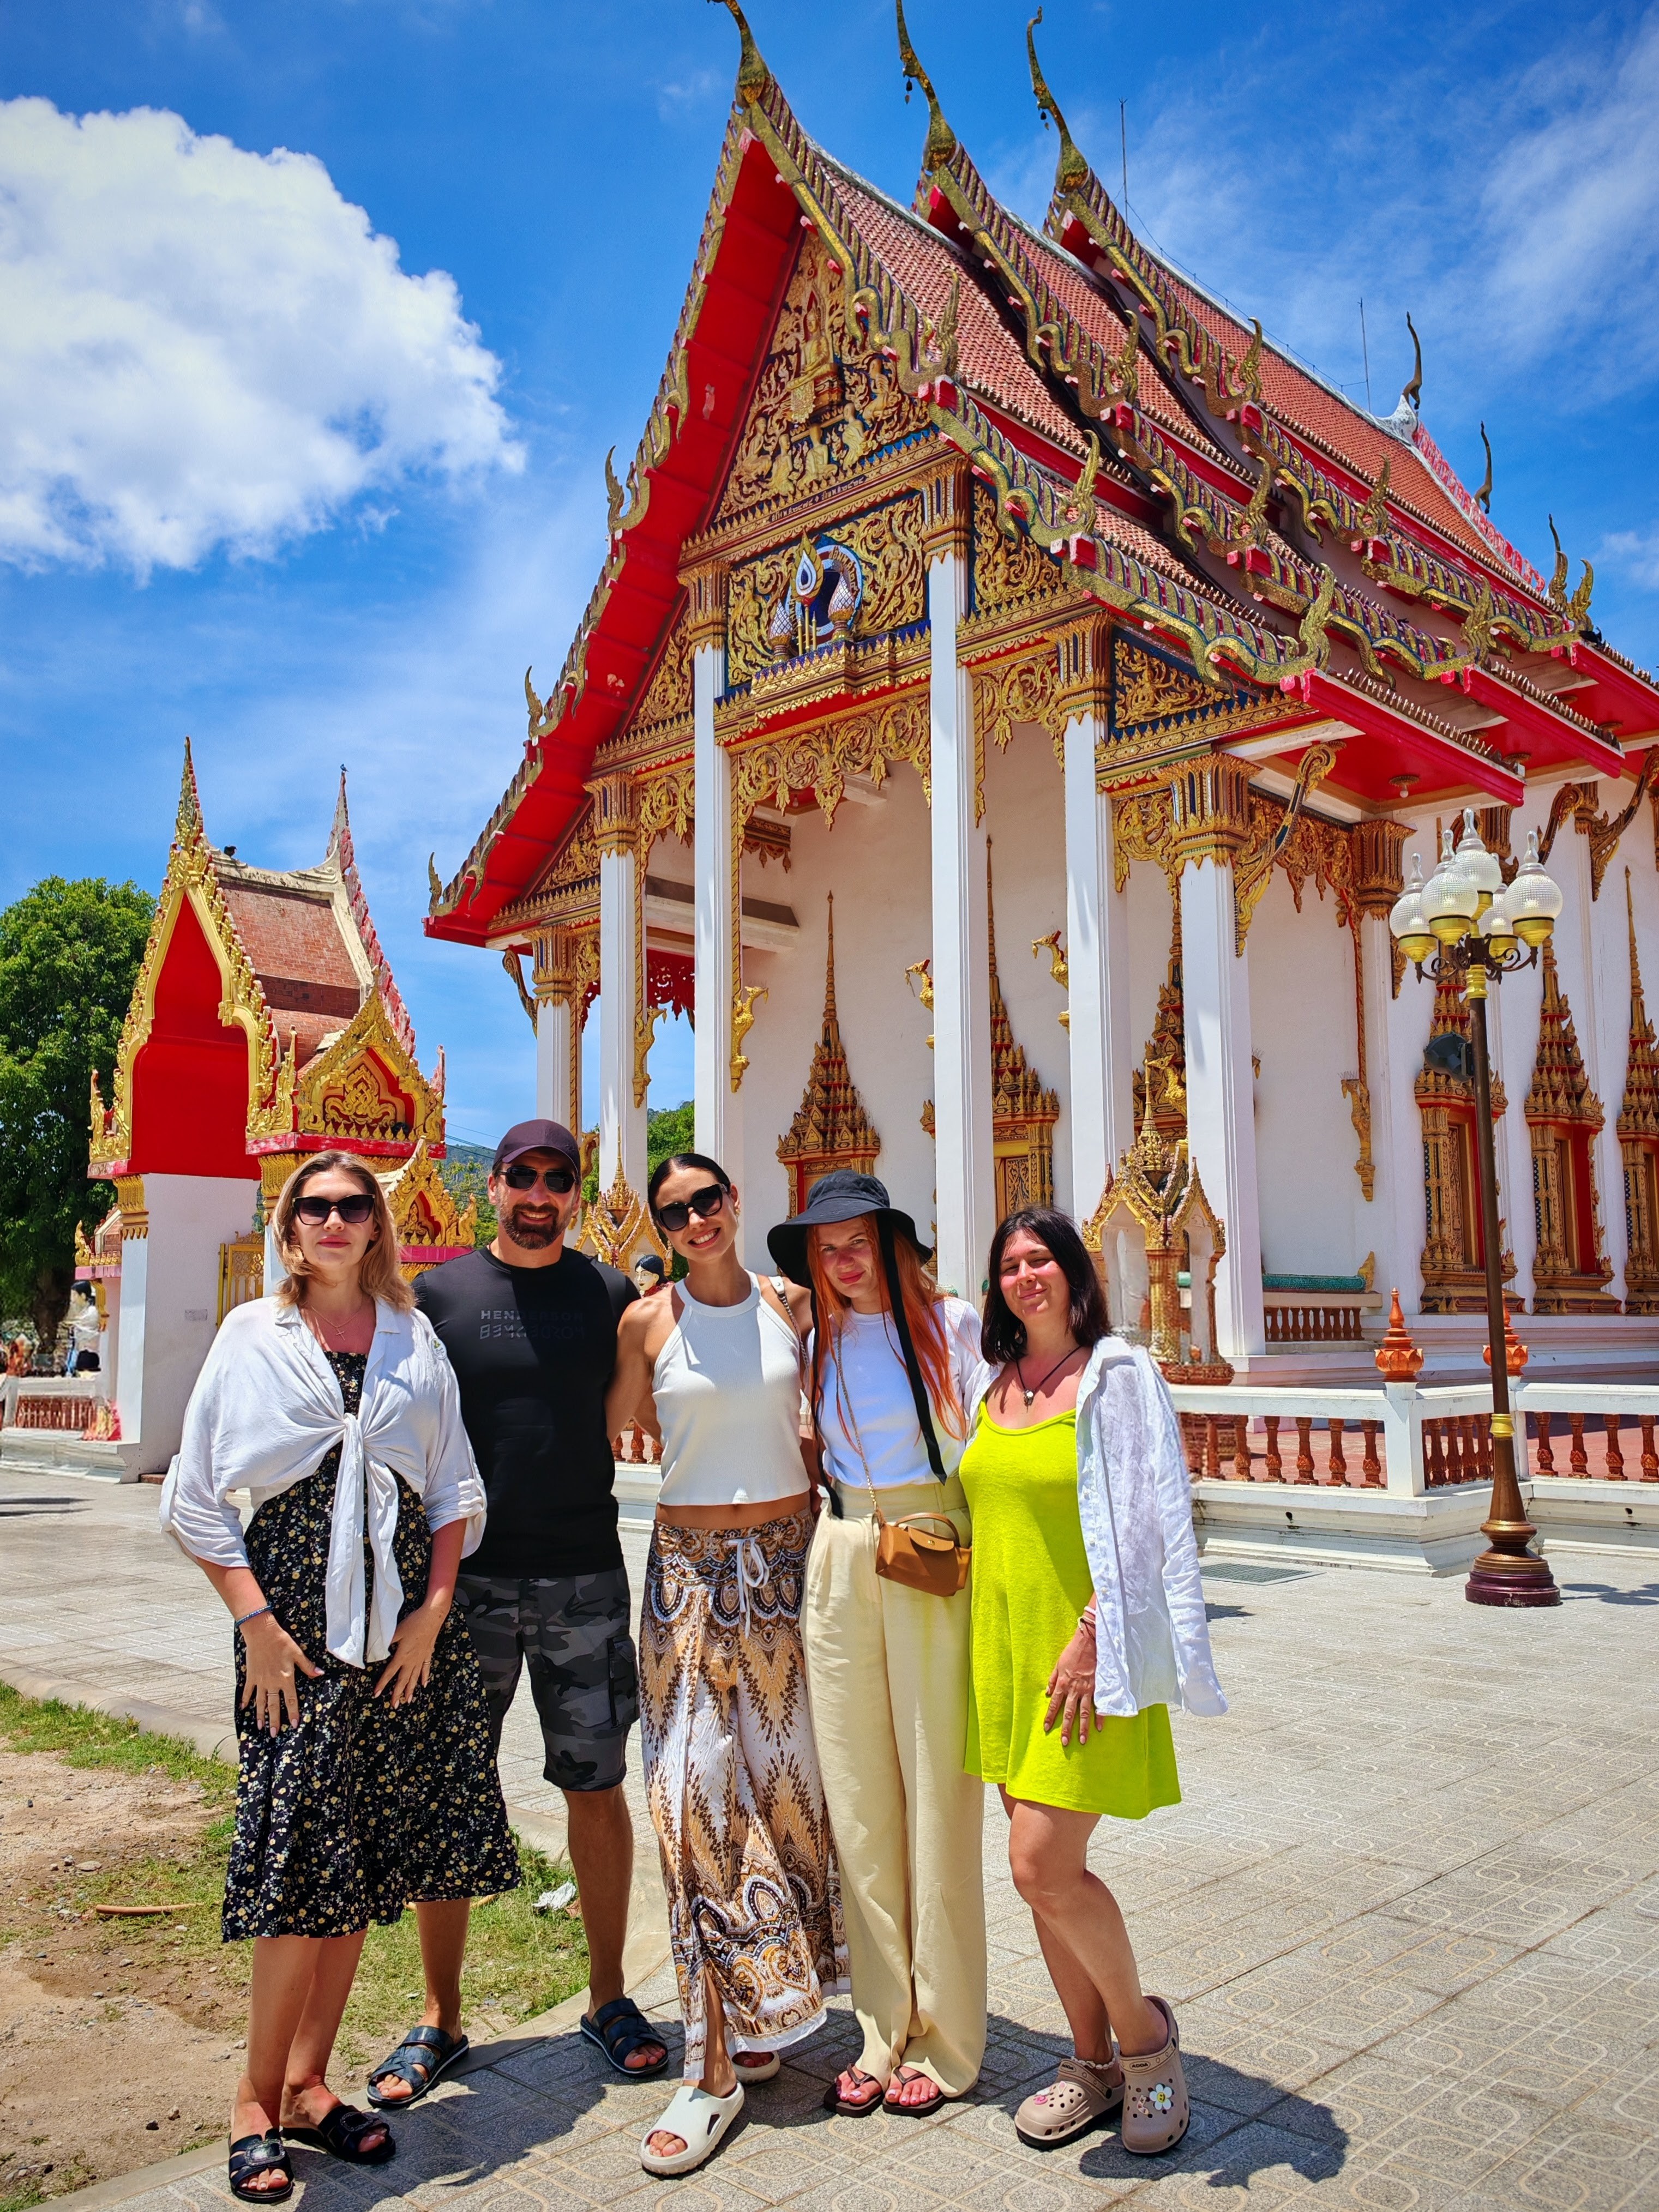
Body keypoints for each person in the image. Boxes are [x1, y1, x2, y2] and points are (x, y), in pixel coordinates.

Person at [159, 1151, 518, 2202]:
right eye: (311, 1206)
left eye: (350, 1205)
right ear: (288, 1226)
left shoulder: (414, 1337)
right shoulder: (250, 1337)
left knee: (355, 1859)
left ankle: (314, 2083)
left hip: (404, 1642)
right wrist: (256, 1625)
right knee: (295, 1869)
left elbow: (453, 1488)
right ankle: (253, 2098)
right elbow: (197, 1498)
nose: (330, 1220)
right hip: (294, 1642)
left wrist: (435, 1611)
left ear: (376, 1227)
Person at [371, 1118, 668, 2103]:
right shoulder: (439, 1295)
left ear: (575, 1193)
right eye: (523, 1177)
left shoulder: (608, 1295)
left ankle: (609, 1995)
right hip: (464, 1585)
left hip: (583, 1571)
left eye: (558, 1180)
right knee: (449, 1783)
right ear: (492, 1187)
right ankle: (439, 2016)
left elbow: (663, 1379)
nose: (540, 1194)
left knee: (595, 1782)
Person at [958, 1206, 1225, 2157]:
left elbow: (1153, 1517)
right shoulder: (989, 1384)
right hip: (1001, 1656)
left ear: (1075, 1273)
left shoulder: (1113, 1375)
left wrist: (1092, 1634)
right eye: (1010, 1264)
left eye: (1041, 1260)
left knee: (1041, 1864)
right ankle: (1088, 2061)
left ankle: (1147, 2045)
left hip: (1081, 1663)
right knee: (1041, 1883)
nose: (1026, 1275)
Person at [608, 1152, 846, 2178]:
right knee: (688, 1798)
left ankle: (764, 2021)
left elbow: (836, 1426)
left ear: (736, 1203)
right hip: (687, 1580)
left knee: (793, 1795)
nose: (696, 1218)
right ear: (662, 1228)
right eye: (676, 1211)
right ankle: (708, 2068)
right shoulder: (646, 1324)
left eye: (709, 1200)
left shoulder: (795, 1305)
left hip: (789, 1574)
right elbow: (625, 1424)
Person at [766, 1171, 987, 2118]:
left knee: (936, 1791)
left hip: (930, 1551)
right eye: (825, 1246)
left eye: (858, 1239)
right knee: (856, 1796)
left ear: (895, 1242)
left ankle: (941, 2037)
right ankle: (878, 2022)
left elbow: (993, 1442)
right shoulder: (812, 1338)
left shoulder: (954, 1325)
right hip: (842, 1551)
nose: (842, 1258)